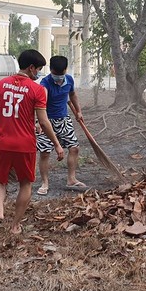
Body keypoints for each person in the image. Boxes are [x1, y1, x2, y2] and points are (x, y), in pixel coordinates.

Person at [0, 49, 64, 234]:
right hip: (25, 145)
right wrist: (56, 144)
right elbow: (43, 121)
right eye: (38, 69)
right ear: (31, 67)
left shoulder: (0, 85)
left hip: (3, 143)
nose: (39, 73)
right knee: (25, 183)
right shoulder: (37, 90)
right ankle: (15, 225)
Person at [35, 55, 87, 195]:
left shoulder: (69, 79)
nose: (58, 77)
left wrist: (79, 111)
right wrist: (39, 122)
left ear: (65, 70)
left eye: (61, 74)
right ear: (51, 70)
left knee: (74, 148)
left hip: (64, 120)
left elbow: (73, 95)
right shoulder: (44, 84)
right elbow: (41, 105)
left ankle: (71, 179)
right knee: (45, 153)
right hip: (47, 121)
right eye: (55, 74)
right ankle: (45, 182)